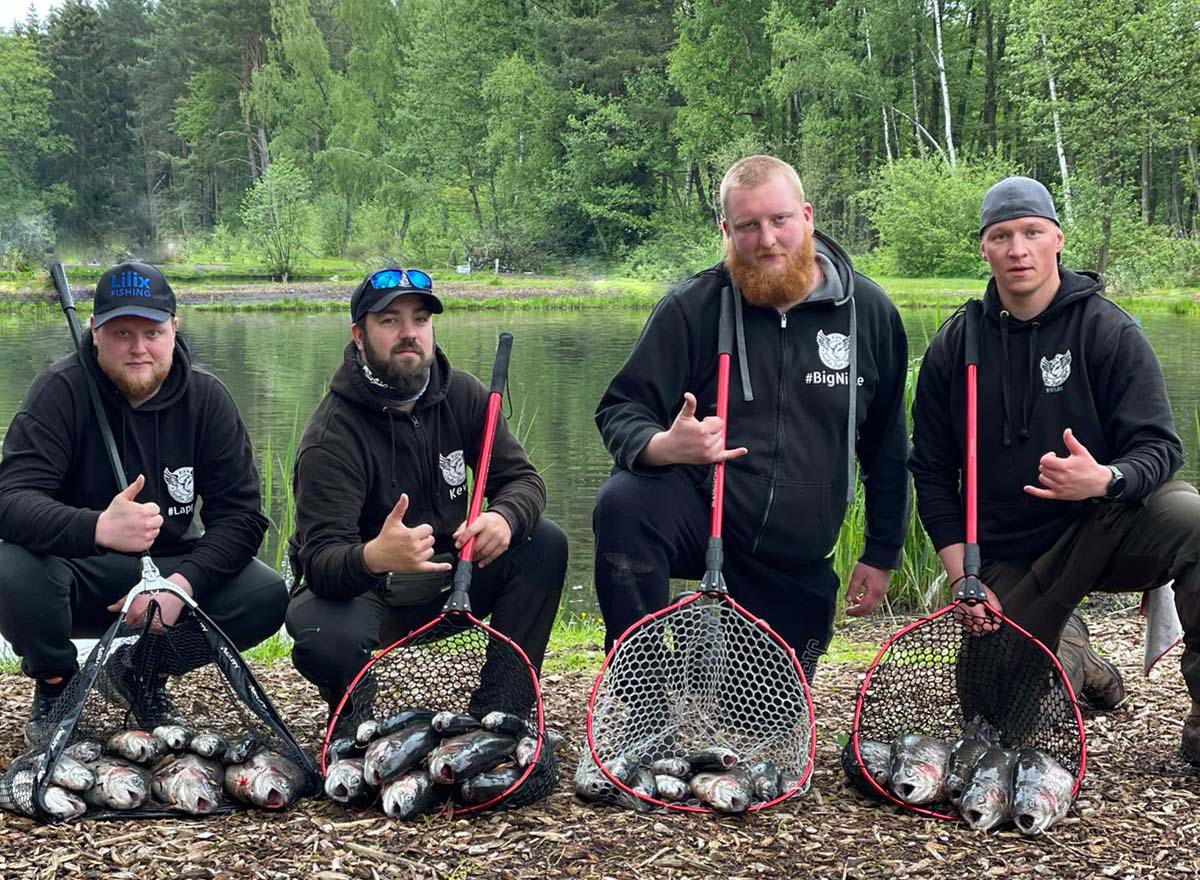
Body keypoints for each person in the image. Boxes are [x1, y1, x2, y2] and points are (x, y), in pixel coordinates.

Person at [909, 176, 1200, 764]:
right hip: (1010, 552)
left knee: (1194, 519)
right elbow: (932, 470)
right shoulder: (954, 345)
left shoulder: (1108, 330)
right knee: (998, 725)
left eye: (1032, 233)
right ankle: (1078, 655)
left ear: (1057, 240)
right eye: (1002, 236)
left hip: (1106, 526)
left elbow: (1160, 449)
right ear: (985, 248)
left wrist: (1105, 479)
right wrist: (963, 572)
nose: (1018, 249)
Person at [592, 155, 910, 676]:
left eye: (779, 220)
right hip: (705, 518)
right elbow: (621, 409)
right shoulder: (692, 307)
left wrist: (882, 551)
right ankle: (640, 685)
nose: (767, 240)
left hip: (794, 554)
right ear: (726, 229)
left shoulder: (868, 313)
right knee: (623, 502)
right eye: (748, 225)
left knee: (766, 719)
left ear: (806, 216)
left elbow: (887, 448)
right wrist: (664, 446)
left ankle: (709, 643)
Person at [0, 262, 287, 745]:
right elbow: (10, 500)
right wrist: (95, 528)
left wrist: (182, 585)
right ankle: (56, 683)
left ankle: (137, 672)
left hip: (164, 574)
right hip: (74, 576)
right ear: (95, 333)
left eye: (152, 332)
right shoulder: (61, 391)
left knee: (265, 594)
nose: (138, 348)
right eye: (121, 332)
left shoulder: (207, 399)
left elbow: (240, 517)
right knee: (8, 568)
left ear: (174, 328)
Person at [285, 268, 567, 733]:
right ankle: (354, 719)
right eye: (389, 321)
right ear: (359, 335)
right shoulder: (331, 435)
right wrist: (374, 556)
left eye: (419, 319)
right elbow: (319, 561)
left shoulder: (466, 395)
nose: (409, 334)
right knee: (323, 636)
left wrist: (502, 516)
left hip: (453, 577)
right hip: (367, 591)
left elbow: (523, 480)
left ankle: (504, 709)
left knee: (544, 542)